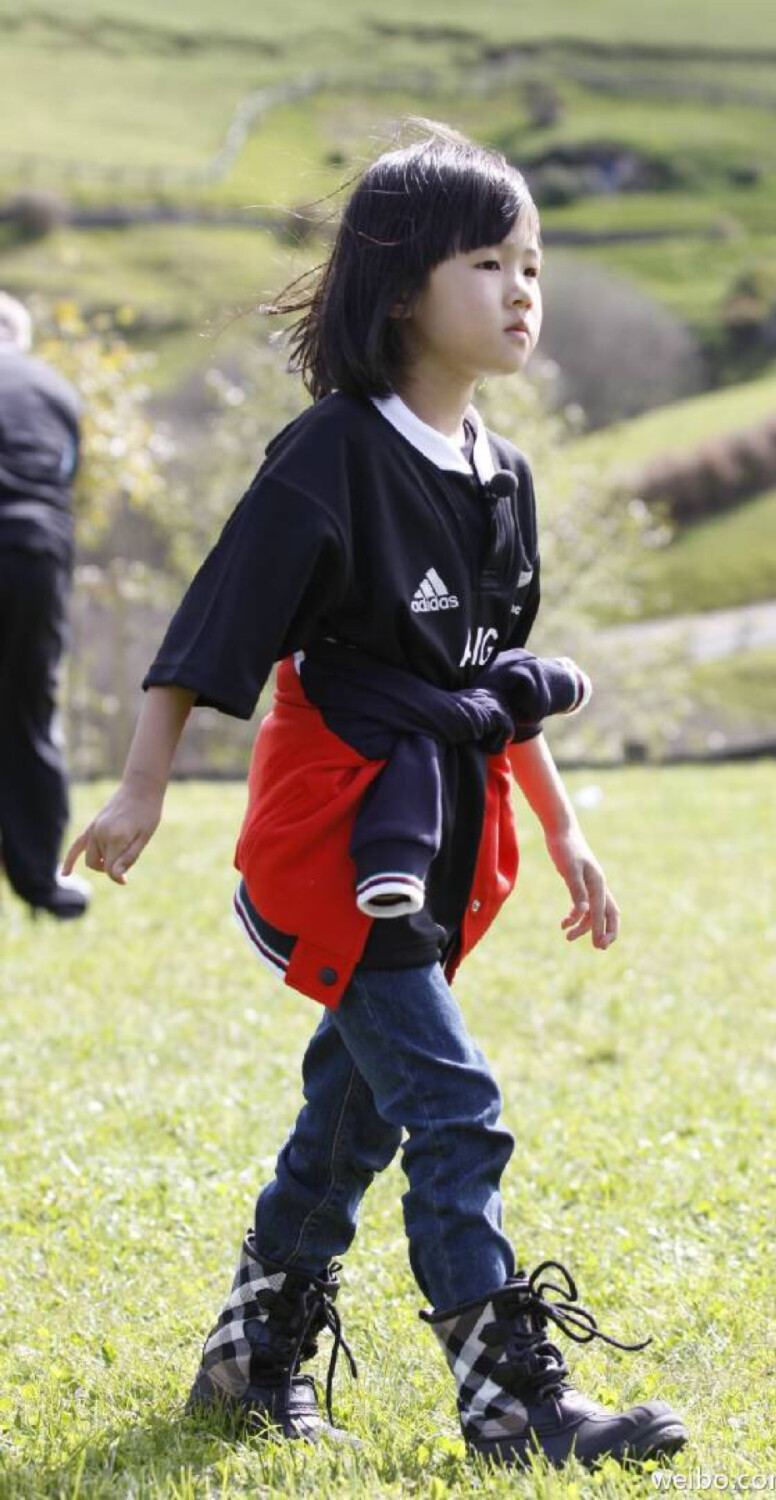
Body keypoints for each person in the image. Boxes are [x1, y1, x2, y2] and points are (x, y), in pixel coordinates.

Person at [63, 124, 687, 1470]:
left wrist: (566, 827)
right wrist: (140, 789)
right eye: (488, 260)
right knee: (456, 1100)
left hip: (446, 831)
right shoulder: (331, 452)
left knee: (354, 1115)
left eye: (534, 262)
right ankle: (510, 1398)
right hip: (337, 832)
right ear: (404, 287)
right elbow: (212, 625)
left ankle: (248, 1360)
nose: (524, 288)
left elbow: (496, 684)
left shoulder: (504, 478)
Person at [0, 291, 89, 919]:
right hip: (34, 555)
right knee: (30, 709)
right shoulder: (56, 390)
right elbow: (64, 475)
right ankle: (40, 879)